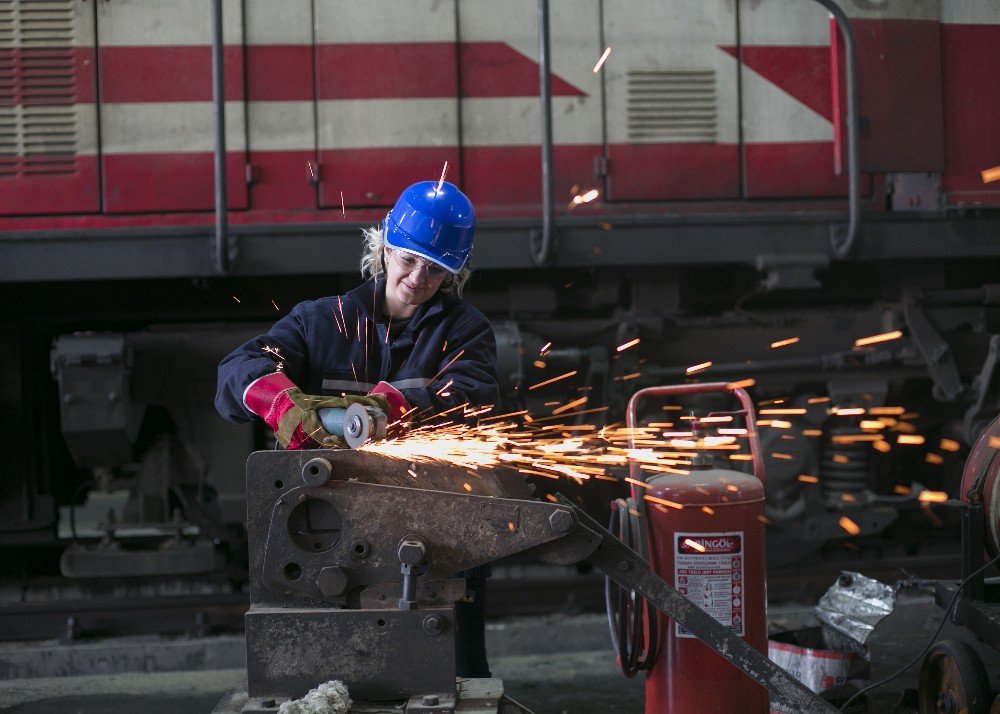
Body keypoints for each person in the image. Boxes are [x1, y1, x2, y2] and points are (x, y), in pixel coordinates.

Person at [214, 179, 498, 678]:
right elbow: (239, 368)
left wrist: (396, 405)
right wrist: (279, 403)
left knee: (455, 675)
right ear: (385, 246)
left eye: (435, 269)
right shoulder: (322, 322)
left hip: (436, 528)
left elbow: (472, 396)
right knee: (334, 679)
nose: (417, 277)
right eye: (409, 259)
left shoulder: (466, 330)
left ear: (454, 272)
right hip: (330, 531)